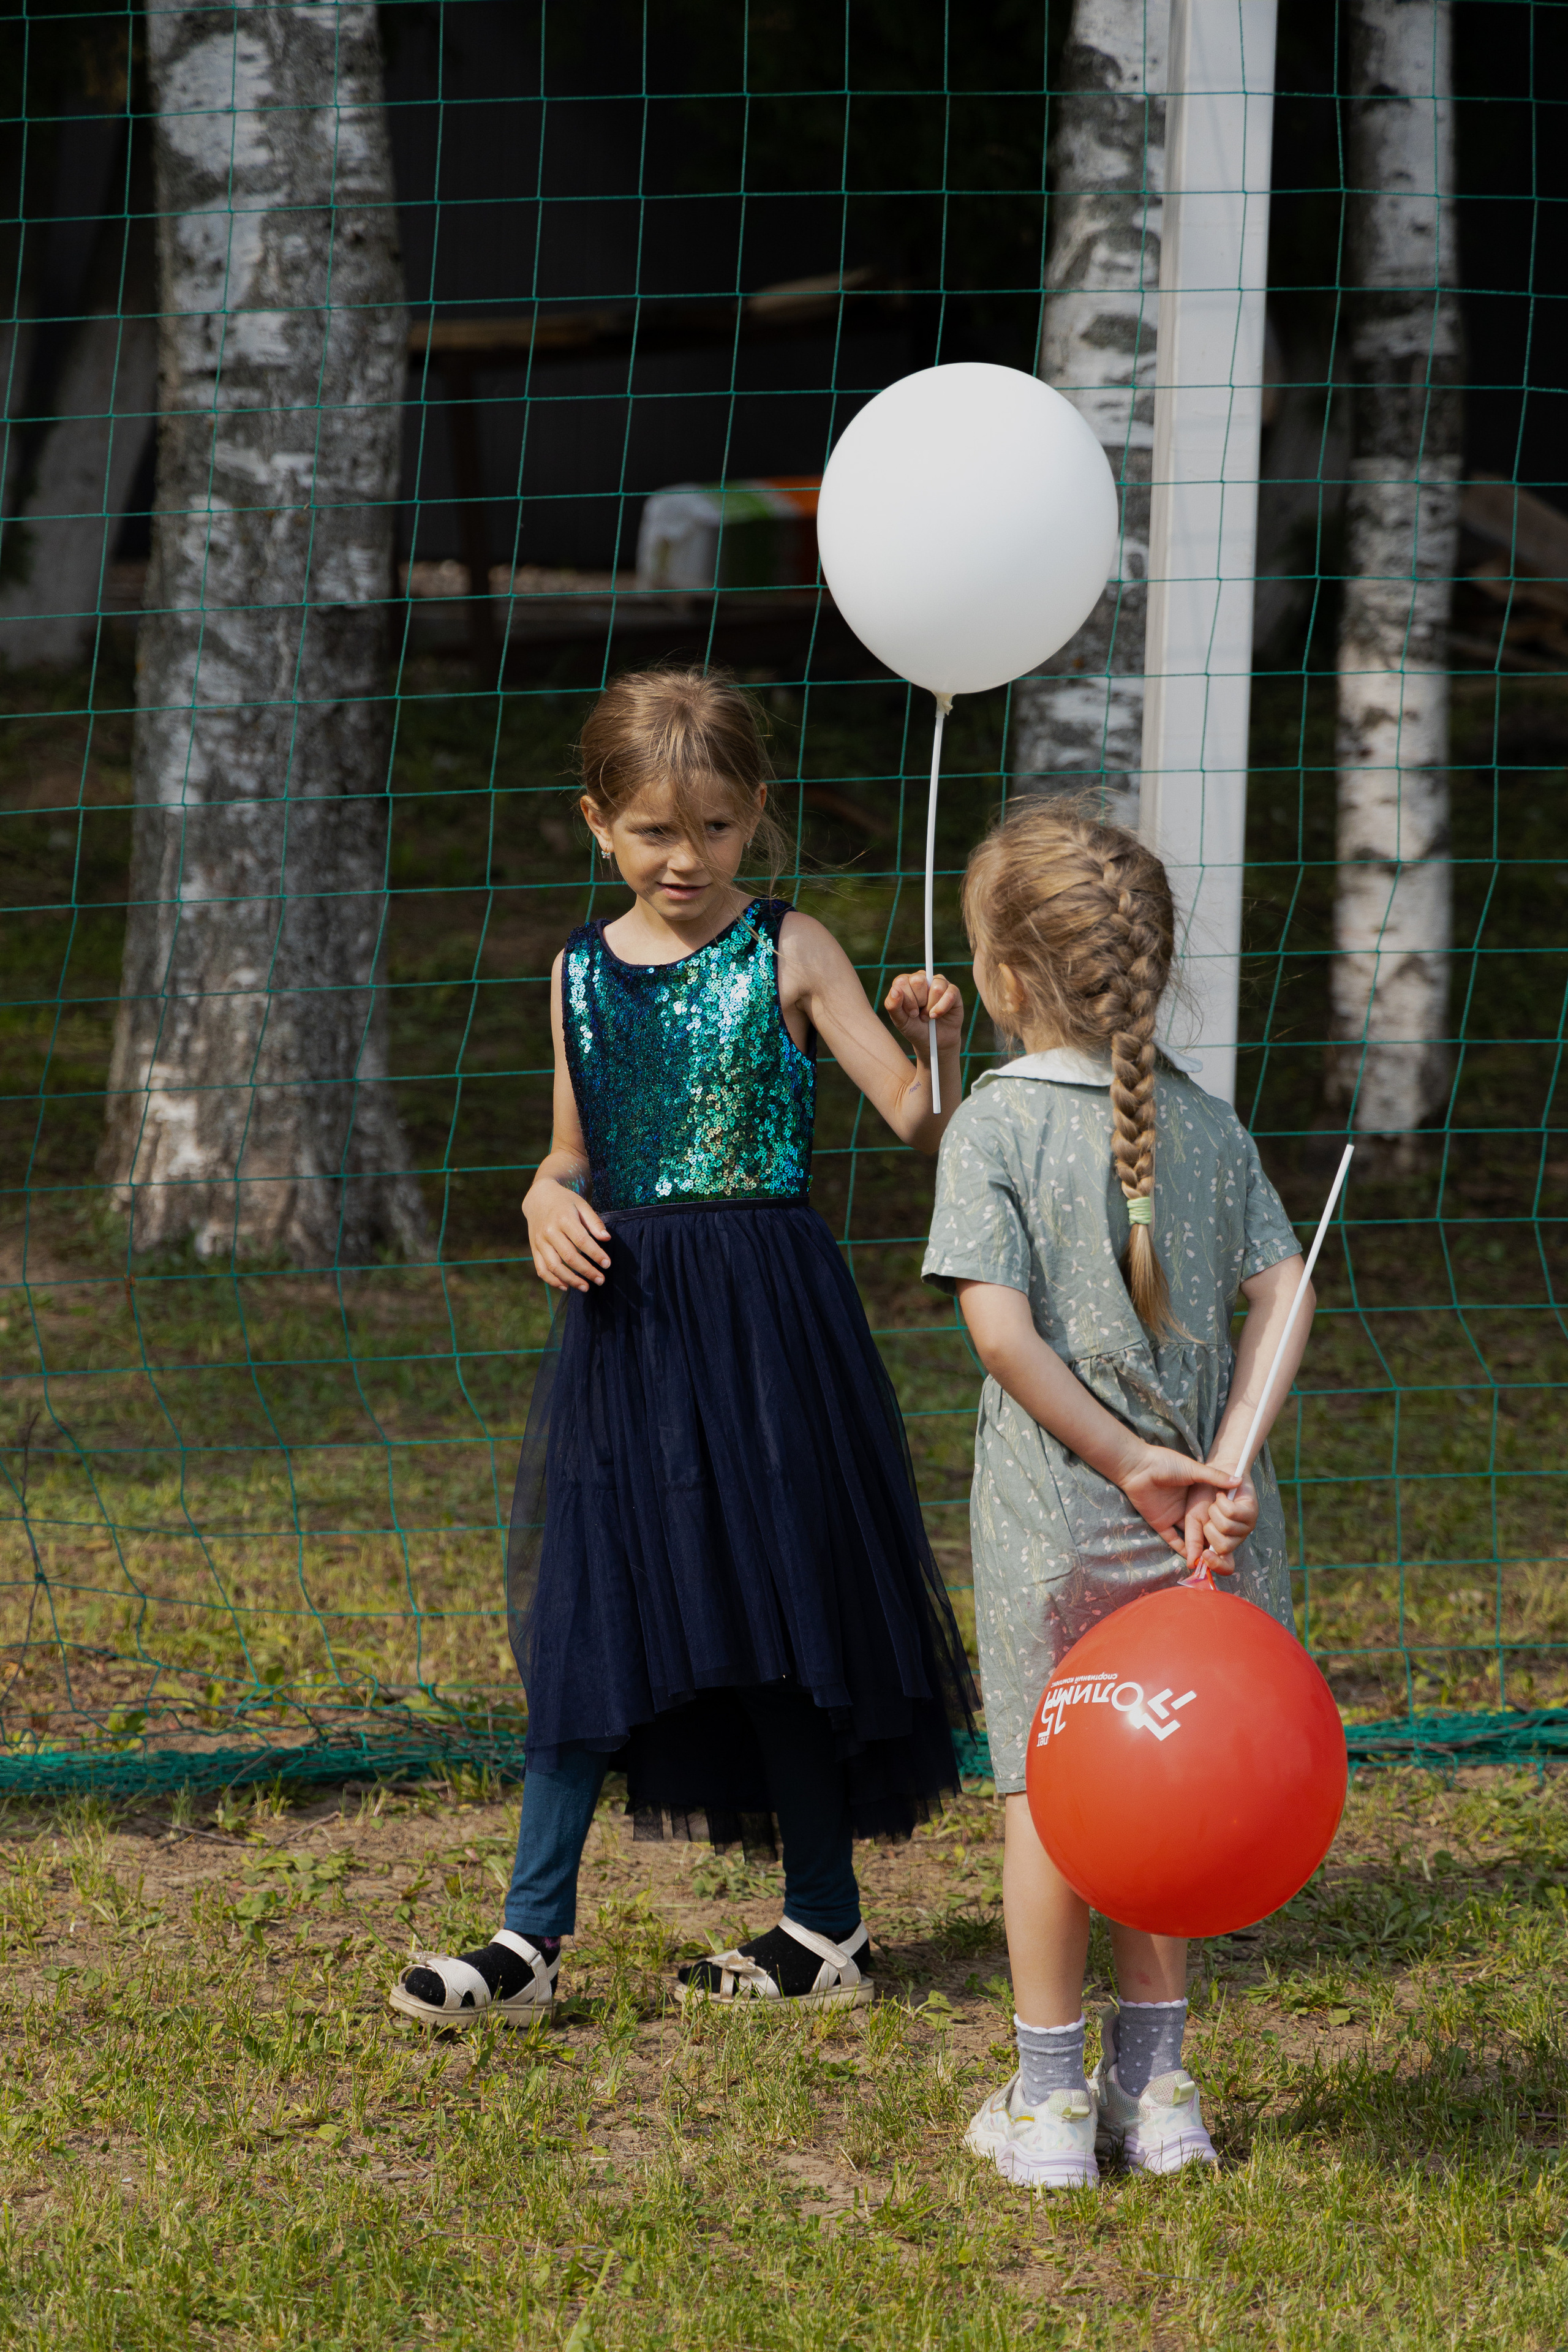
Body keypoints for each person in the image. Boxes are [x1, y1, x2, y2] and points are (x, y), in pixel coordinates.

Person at [391, 667, 974, 2030]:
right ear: (598, 823)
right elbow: (570, 1153)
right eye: (654, 830)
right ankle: (529, 1938)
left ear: (754, 815)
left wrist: (939, 1043)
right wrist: (541, 1199)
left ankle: (824, 1925)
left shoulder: (791, 947)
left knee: (777, 1608)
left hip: (768, 1326)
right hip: (631, 1329)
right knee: (596, 1606)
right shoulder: (576, 974)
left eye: (713, 828)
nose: (684, 858)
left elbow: (918, 1120)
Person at [921, 798, 1313, 2189]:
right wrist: (1225, 1455)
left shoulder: (991, 1123)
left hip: (1059, 1529)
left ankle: (1047, 2108)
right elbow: (1286, 1289)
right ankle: (1156, 2099)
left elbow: (998, 1333)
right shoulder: (1206, 1121)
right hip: (1205, 1534)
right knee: (1171, 1790)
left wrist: (1126, 1463)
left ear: (1001, 978)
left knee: (1051, 1798)